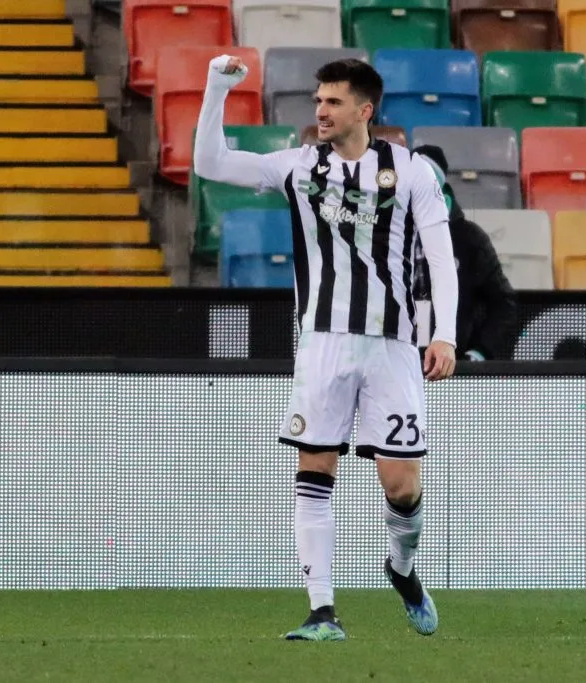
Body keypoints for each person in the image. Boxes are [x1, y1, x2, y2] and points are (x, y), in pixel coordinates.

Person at [193, 55, 459, 642]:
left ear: (365, 110)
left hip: (392, 345)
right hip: (321, 342)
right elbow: (209, 162)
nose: (321, 110)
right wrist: (217, 87)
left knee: (401, 486)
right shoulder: (298, 166)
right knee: (314, 469)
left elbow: (441, 258)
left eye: (333, 101)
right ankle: (322, 611)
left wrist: (444, 333)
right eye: (318, 100)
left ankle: (402, 568)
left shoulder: (411, 171)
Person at [410, 144, 519, 361]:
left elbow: (504, 305)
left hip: (455, 367)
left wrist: (480, 352)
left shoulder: (470, 239)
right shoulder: (391, 233)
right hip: (400, 364)